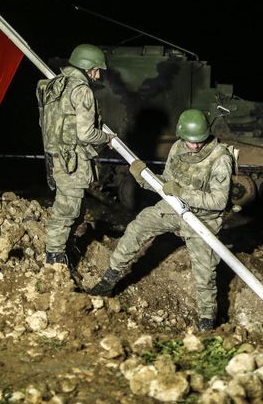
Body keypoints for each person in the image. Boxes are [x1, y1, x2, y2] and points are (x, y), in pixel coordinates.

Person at [89, 109, 233, 331]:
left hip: (202, 219)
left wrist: (182, 192)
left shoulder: (220, 158)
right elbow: (167, 183)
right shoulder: (177, 148)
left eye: (199, 141)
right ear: (181, 136)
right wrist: (144, 178)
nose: (194, 146)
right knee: (138, 227)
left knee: (204, 273)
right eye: (189, 141)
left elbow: (219, 201)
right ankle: (109, 278)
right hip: (174, 208)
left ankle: (206, 321)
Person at [38, 44, 114, 266]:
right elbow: (86, 133)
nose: (98, 75)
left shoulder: (56, 84)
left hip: (57, 155)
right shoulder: (82, 90)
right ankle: (55, 257)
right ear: (87, 67)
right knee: (67, 209)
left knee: (75, 208)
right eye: (96, 70)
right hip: (72, 159)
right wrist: (106, 138)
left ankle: (64, 247)